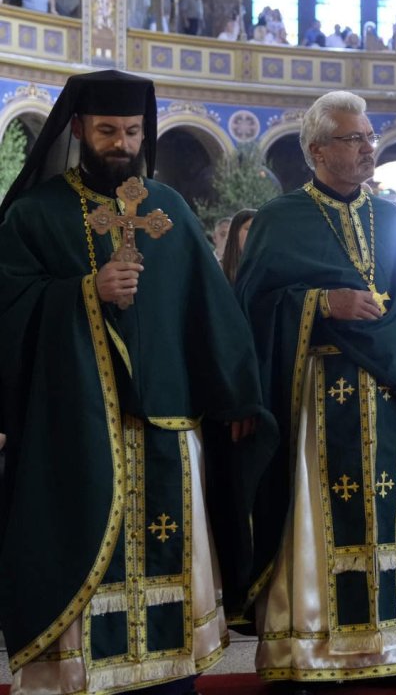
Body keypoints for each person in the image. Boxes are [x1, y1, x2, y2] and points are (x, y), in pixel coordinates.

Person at [0, 70, 276, 693]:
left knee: (166, 557)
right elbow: (8, 304)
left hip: (166, 427)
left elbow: (210, 308)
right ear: (77, 129)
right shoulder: (35, 216)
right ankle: (80, 676)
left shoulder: (167, 210)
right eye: (106, 131)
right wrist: (81, 294)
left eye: (131, 131)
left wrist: (237, 393)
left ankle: (168, 675)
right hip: (75, 425)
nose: (120, 143)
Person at [235, 90, 396, 689]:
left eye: (369, 138)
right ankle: (311, 650)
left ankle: (394, 644)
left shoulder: (394, 219)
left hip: (389, 397)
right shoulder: (282, 220)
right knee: (315, 519)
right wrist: (320, 303)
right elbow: (251, 309)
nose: (367, 149)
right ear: (316, 150)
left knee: (391, 520)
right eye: (353, 140)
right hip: (313, 400)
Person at [220, 208, 257, 284]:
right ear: (235, 232)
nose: (256, 234)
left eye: (260, 229)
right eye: (250, 228)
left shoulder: (266, 272)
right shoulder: (217, 270)